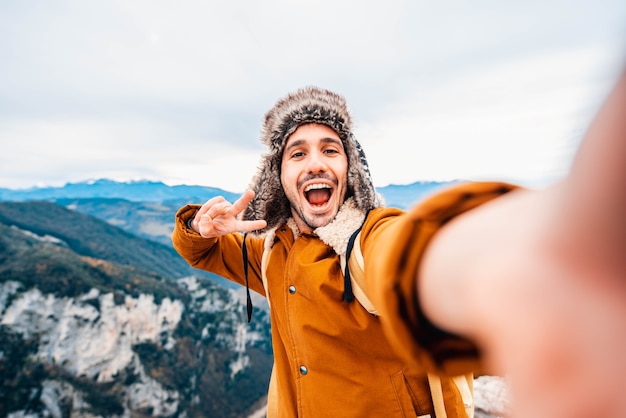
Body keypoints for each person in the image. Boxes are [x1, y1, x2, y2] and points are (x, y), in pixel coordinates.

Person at [172, 69, 626, 418]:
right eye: (298, 152)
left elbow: (408, 256)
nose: (316, 163)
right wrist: (199, 226)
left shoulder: (367, 238)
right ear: (278, 176)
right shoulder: (273, 248)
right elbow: (201, 251)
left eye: (331, 149)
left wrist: (520, 264)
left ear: (351, 169)